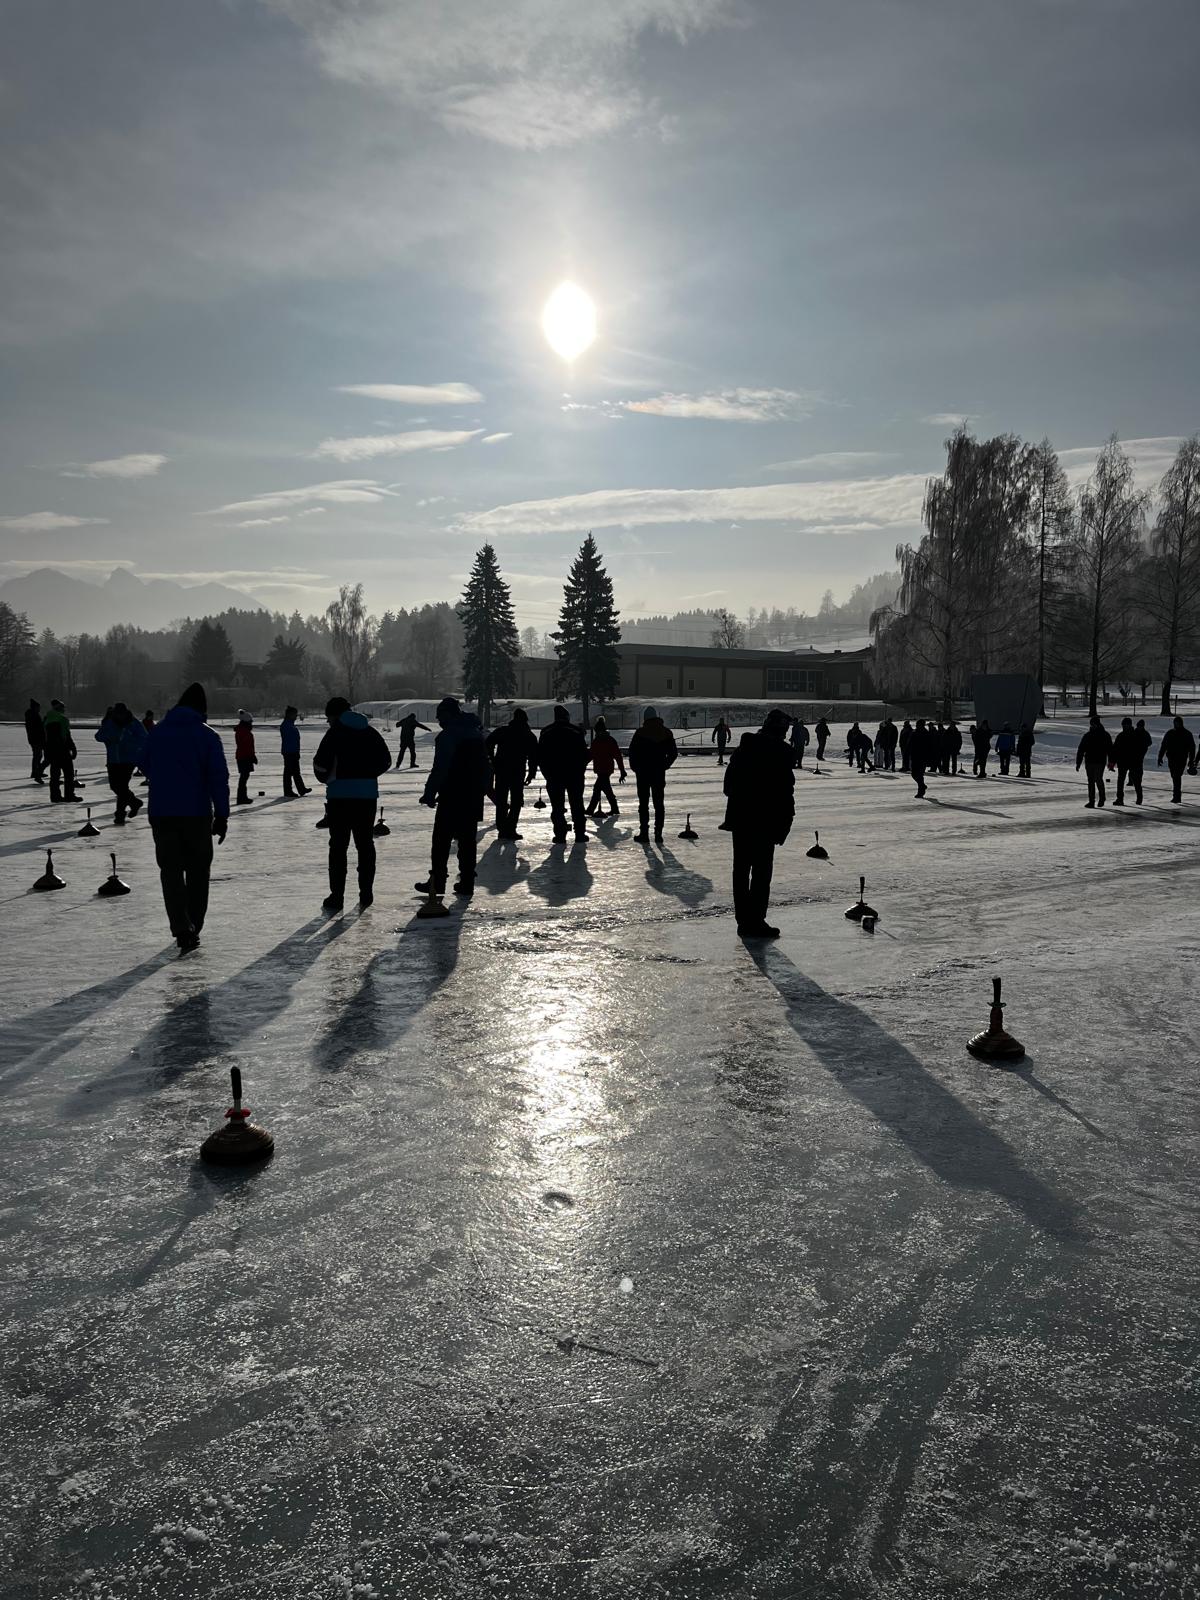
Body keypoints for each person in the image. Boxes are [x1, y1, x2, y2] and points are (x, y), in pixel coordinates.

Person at [142, 682, 229, 952]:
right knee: (198, 872)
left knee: (170, 871)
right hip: (196, 814)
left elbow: (143, 762)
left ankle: (181, 926)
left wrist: (165, 777)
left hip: (162, 812)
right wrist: (222, 815)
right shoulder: (207, 736)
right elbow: (218, 779)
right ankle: (194, 925)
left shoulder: (158, 733)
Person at [312, 696, 391, 910]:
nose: (328, 722)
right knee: (365, 844)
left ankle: (337, 896)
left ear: (335, 715)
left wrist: (328, 777)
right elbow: (386, 760)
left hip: (339, 797)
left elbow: (320, 764)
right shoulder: (370, 732)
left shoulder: (334, 733)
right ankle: (366, 893)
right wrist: (368, 775)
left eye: (329, 718)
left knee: (338, 847)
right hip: (367, 797)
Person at [723, 708, 795, 939]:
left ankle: (744, 921)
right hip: (766, 820)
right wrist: (785, 822)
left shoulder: (744, 748)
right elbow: (785, 793)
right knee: (761, 873)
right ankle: (756, 920)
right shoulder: (781, 752)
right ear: (781, 729)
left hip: (741, 819)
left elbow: (728, 785)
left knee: (741, 870)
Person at [417, 697, 489, 896]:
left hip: (452, 795)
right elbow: (486, 766)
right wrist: (482, 789)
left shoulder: (448, 736)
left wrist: (429, 793)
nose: (439, 720)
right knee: (467, 840)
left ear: (448, 714)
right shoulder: (476, 734)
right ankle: (467, 882)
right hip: (473, 795)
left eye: (440, 716)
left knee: (441, 840)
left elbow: (441, 768)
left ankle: (437, 882)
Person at [628, 706, 678, 844]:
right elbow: (673, 753)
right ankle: (658, 833)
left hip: (643, 773)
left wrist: (635, 767)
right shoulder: (666, 732)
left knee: (643, 804)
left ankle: (644, 832)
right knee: (659, 804)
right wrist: (664, 765)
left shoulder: (640, 733)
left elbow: (632, 752)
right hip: (658, 773)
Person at [538, 705, 589, 842]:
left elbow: (540, 756)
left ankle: (560, 834)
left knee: (557, 807)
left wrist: (547, 773)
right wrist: (580, 770)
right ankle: (580, 833)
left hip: (554, 775)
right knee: (577, 805)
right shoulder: (576, 731)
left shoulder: (546, 732)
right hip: (574, 775)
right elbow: (584, 755)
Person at [487, 707, 538, 839]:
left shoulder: (503, 731)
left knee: (501, 799)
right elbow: (533, 756)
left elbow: (488, 742)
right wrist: (531, 773)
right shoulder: (528, 735)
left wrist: (492, 759)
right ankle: (510, 827)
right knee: (516, 801)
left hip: (502, 769)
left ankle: (502, 828)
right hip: (517, 771)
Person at [95, 702, 146, 824]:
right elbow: (99, 736)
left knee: (122, 787)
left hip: (128, 760)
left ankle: (120, 815)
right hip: (113, 760)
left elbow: (144, 738)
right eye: (117, 714)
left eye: (121, 714)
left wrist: (127, 740)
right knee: (115, 786)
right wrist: (110, 737)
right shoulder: (110, 722)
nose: (119, 717)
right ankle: (135, 802)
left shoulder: (134, 723)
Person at [587, 716, 626, 817]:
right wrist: (622, 770)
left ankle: (591, 809)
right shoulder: (608, 740)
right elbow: (617, 756)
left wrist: (622, 771)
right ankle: (614, 808)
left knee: (598, 789)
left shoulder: (600, 741)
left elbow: (590, 755)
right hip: (605, 769)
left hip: (604, 769)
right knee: (604, 788)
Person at [43, 699, 80, 803]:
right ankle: (69, 795)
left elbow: (44, 736)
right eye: (63, 708)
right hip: (63, 750)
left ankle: (55, 796)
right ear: (60, 708)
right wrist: (73, 748)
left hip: (51, 750)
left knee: (55, 775)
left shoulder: (46, 719)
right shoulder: (63, 719)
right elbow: (66, 736)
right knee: (69, 774)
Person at [1157, 716, 1196, 804]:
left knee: (1176, 776)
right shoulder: (1170, 733)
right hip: (1172, 758)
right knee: (1174, 776)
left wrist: (1191, 760)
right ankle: (1177, 795)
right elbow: (1164, 745)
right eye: (1175, 723)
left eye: (1178, 723)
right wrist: (1160, 757)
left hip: (1181, 758)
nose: (1177, 724)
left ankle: (1177, 796)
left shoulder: (1187, 734)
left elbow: (1192, 748)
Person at [1076, 715, 1114, 808]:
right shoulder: (1088, 735)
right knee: (1091, 781)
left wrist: (1111, 762)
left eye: (1094, 724)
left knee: (1098, 779)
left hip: (1100, 761)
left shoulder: (1105, 735)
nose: (1093, 726)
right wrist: (1078, 762)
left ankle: (1102, 798)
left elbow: (1110, 750)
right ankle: (1091, 801)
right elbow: (1081, 749)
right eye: (1092, 724)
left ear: (1098, 724)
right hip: (1089, 761)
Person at [1112, 717, 1144, 806]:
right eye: (1123, 725)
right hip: (1124, 762)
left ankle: (1138, 797)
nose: (1124, 726)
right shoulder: (1122, 736)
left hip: (1132, 762)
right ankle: (1120, 798)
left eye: (1125, 725)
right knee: (1121, 781)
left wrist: (1138, 759)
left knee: (1135, 781)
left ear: (1129, 725)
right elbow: (1115, 750)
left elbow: (1140, 749)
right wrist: (1112, 761)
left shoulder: (1135, 735)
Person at [279, 705, 309, 798]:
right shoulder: (286, 725)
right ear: (290, 714)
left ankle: (301, 789)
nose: (296, 716)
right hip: (289, 752)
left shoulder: (289, 724)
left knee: (295, 771)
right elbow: (290, 740)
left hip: (292, 751)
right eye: (295, 714)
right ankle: (288, 791)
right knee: (289, 772)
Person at [234, 710, 256, 805]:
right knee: (244, 777)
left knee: (244, 777)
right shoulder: (245, 732)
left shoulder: (241, 731)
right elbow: (247, 747)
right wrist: (252, 756)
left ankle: (242, 796)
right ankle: (242, 797)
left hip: (242, 756)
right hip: (245, 757)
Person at [909, 717, 934, 797]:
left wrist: (929, 758)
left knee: (920, 774)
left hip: (923, 757)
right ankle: (922, 785)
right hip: (914, 756)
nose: (917, 726)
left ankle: (921, 791)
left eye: (918, 724)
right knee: (913, 774)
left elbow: (930, 746)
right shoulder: (914, 732)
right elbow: (910, 743)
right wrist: (908, 752)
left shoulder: (926, 734)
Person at [24, 698, 47, 783]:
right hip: (36, 738)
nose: (39, 709)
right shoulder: (34, 715)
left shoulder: (31, 715)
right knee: (37, 755)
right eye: (38, 707)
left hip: (33, 738)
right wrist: (44, 721)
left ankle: (36, 771)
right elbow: (38, 727)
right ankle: (35, 772)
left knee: (38, 755)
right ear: (35, 707)